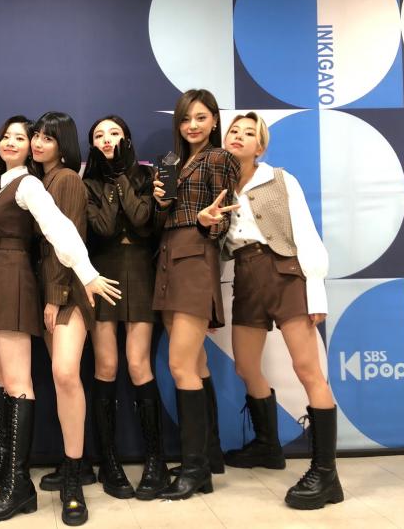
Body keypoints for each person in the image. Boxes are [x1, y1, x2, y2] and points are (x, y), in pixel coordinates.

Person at [0, 115, 120, 523]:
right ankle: (15, 472)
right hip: (12, 284)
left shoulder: (46, 182)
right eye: (18, 136)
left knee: (53, 377)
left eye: (32, 137)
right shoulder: (4, 183)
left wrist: (82, 277)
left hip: (46, 287)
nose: (27, 142)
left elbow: (61, 232)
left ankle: (54, 479)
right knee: (6, 377)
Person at [213, 112, 342, 510]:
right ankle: (268, 446)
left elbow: (306, 233)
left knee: (308, 370)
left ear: (261, 146)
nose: (239, 135)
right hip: (246, 276)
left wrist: (315, 291)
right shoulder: (219, 186)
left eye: (248, 132)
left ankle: (326, 473)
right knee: (245, 366)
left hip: (286, 273)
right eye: (234, 130)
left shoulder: (281, 179)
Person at [152, 89, 240, 500]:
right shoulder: (173, 162)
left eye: (201, 117)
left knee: (180, 365)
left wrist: (208, 222)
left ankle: (193, 469)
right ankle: (207, 459)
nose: (192, 125)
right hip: (168, 257)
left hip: (194, 257)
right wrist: (159, 203)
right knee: (197, 363)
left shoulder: (219, 158)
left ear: (214, 121)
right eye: (186, 118)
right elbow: (165, 215)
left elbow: (224, 217)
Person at [82, 115, 168, 500]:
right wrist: (112, 180)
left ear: (127, 139)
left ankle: (155, 460)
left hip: (140, 271)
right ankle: (109, 461)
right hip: (102, 272)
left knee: (138, 364)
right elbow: (102, 228)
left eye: (114, 133)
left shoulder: (148, 178)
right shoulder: (86, 185)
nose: (107, 139)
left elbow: (141, 219)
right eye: (99, 135)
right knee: (106, 366)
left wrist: (120, 177)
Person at [30, 111, 96, 525]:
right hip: (51, 290)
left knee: (66, 374)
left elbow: (67, 241)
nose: (38, 143)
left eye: (48, 138)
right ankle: (74, 463)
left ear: (63, 144)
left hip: (69, 291)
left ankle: (74, 477)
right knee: (60, 378)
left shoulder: (67, 179)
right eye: (36, 135)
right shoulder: (42, 180)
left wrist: (54, 297)